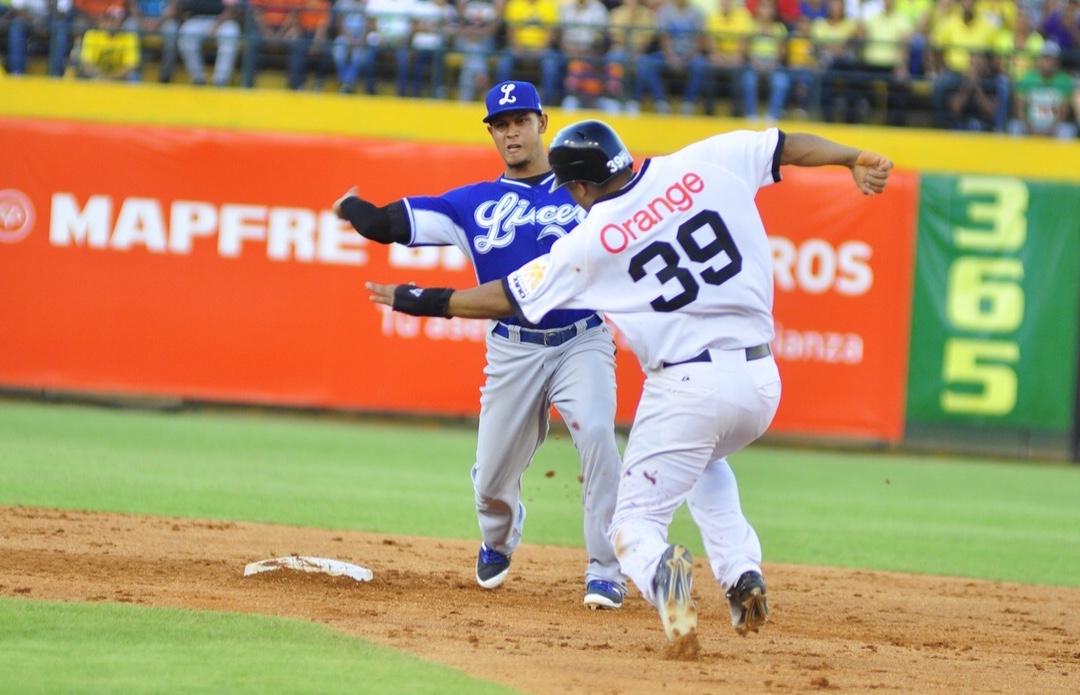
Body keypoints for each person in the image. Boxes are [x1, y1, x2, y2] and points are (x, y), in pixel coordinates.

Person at [364, 118, 892, 646]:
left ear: (578, 188)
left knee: (633, 526)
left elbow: (506, 297)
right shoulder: (696, 162)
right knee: (706, 462)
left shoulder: (592, 241)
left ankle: (679, 605)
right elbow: (785, 146)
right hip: (759, 383)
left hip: (688, 386)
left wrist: (423, 300)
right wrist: (851, 157)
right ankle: (740, 573)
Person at [332, 81, 629, 610]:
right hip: (512, 349)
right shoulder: (472, 202)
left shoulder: (585, 188)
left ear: (542, 122)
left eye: (520, 120)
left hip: (582, 338)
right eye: (500, 124)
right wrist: (354, 208)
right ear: (491, 132)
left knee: (600, 435)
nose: (511, 132)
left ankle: (606, 569)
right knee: (492, 480)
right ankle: (499, 537)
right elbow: (384, 223)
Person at [1008, 40, 1078, 139]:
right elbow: (1020, 110)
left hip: (1054, 127)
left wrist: (1049, 131)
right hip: (1030, 124)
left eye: (1050, 59)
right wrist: (1030, 129)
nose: (1046, 62)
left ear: (1057, 61)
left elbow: (1064, 113)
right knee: (1014, 127)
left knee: (1067, 131)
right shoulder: (1027, 78)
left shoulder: (1065, 80)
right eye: (1044, 58)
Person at [177, 0, 242, 86]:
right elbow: (179, 4)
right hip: (196, 19)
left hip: (223, 20)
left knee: (230, 34)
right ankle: (198, 79)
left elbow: (231, 9)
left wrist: (216, 25)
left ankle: (220, 81)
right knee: (186, 35)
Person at [76, 1, 140, 79]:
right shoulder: (92, 35)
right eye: (111, 19)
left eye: (118, 20)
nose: (114, 23)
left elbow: (131, 65)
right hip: (97, 76)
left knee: (134, 76)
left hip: (119, 77)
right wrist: (99, 76)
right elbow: (86, 62)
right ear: (105, 20)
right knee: (82, 71)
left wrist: (111, 78)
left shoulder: (129, 37)